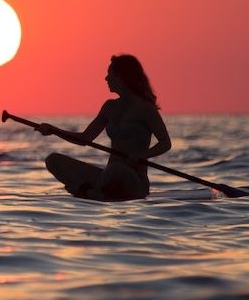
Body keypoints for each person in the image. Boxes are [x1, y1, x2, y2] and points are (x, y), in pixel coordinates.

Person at [35, 54, 172, 201]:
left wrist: (142, 155)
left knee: (116, 168)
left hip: (134, 181)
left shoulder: (145, 108)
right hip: (107, 176)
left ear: (121, 77)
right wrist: (54, 131)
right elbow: (85, 139)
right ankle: (86, 190)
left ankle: (90, 191)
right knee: (53, 160)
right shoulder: (109, 107)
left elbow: (165, 143)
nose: (106, 79)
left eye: (109, 74)